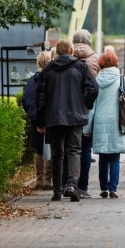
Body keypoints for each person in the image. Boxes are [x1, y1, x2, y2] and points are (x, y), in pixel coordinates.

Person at [35, 39, 98, 202]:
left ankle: (57, 190)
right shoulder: (81, 67)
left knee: (57, 154)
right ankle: (72, 185)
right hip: (76, 117)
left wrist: (41, 120)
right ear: (71, 51)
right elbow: (93, 88)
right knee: (74, 151)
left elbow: (41, 96)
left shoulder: (48, 69)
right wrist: (85, 105)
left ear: (57, 51)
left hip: (54, 117)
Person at [83, 51, 125, 199]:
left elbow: (91, 107)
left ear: (100, 64)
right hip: (117, 122)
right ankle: (113, 188)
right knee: (114, 156)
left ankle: (103, 188)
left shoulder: (96, 81)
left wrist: (87, 128)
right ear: (115, 63)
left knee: (103, 157)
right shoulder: (122, 80)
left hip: (100, 122)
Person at [69, 29, 100, 199]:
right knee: (85, 147)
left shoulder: (68, 56)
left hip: (69, 106)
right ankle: (83, 186)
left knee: (70, 147)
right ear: (89, 40)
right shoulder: (95, 58)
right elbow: (96, 85)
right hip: (87, 107)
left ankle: (68, 183)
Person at [22, 51, 52, 190]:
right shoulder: (51, 78)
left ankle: (39, 179)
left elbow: (26, 100)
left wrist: (33, 116)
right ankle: (47, 180)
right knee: (50, 148)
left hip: (35, 119)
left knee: (38, 149)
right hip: (49, 119)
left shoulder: (31, 80)